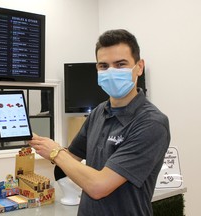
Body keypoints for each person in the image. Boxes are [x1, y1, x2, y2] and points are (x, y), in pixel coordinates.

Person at [27, 29, 170, 215]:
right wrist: (26, 135)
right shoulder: (98, 112)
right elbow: (71, 157)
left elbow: (99, 186)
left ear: (139, 67)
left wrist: (55, 152)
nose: (111, 72)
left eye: (120, 64)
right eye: (104, 66)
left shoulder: (152, 123)